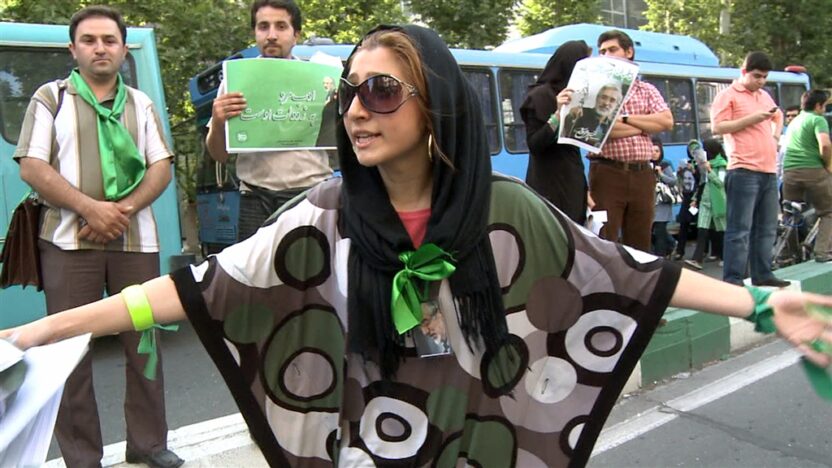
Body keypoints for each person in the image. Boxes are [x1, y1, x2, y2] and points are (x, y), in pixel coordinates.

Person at [4, 25, 831, 468]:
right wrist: (36, 332)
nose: (356, 110)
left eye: (381, 90)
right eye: (349, 93)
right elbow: (192, 290)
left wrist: (763, 303)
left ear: (434, 104)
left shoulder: (506, 209)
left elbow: (632, 274)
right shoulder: (323, 215)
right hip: (377, 449)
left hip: (483, 445)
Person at [11, 6, 183, 468]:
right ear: (73, 49)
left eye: (110, 40)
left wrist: (118, 212)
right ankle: (82, 457)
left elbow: (161, 167)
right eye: (89, 40)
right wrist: (91, 209)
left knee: (144, 343)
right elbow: (33, 166)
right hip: (67, 242)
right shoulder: (50, 98)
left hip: (135, 241)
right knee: (67, 352)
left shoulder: (140, 104)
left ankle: (148, 444)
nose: (100, 48)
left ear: (123, 49)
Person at [205, 0, 332, 242]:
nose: (271, 35)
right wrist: (219, 121)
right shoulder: (235, 82)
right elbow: (219, 155)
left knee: (314, 266)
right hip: (255, 199)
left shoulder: (320, 81)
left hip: (310, 195)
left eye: (281, 26)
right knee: (254, 268)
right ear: (255, 33)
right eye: (263, 26)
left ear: (296, 34)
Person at [588, 29, 674, 251]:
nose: (606, 55)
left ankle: (638, 276)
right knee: (604, 239)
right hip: (607, 173)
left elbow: (666, 121)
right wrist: (645, 126)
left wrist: (624, 118)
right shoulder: (595, 90)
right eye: (602, 52)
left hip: (642, 174)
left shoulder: (646, 90)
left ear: (629, 52)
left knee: (640, 242)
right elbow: (601, 129)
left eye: (612, 49)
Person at [712, 51, 788, 287]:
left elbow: (778, 115)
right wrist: (753, 119)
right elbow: (717, 127)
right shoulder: (727, 95)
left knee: (767, 228)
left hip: (768, 170)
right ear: (744, 72)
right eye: (756, 76)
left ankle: (763, 273)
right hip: (742, 168)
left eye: (764, 77)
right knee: (739, 230)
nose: (761, 81)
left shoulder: (764, 96)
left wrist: (775, 137)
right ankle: (733, 279)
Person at [520, 40, 592, 224]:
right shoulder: (540, 96)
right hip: (548, 182)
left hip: (572, 179)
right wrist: (559, 114)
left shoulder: (577, 95)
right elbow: (535, 144)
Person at [782, 89, 832, 262]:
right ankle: (822, 252)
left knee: (790, 214)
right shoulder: (817, 119)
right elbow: (825, 145)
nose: (824, 109)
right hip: (813, 171)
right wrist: (828, 164)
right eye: (824, 106)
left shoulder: (794, 122)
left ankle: (787, 254)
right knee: (828, 212)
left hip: (789, 173)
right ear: (818, 105)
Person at [685, 139, 728, 270]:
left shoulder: (721, 164)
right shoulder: (704, 164)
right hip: (705, 202)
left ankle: (725, 256)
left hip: (718, 201)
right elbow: (702, 183)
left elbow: (721, 183)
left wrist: (709, 171)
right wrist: (695, 198)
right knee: (702, 229)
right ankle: (697, 259)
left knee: (722, 230)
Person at [651, 137, 677, 257]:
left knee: (660, 233)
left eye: (657, 151)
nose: (654, 153)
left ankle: (660, 258)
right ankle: (671, 246)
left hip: (663, 204)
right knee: (651, 232)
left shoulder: (665, 165)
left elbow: (673, 181)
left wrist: (661, 174)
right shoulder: (645, 165)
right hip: (650, 204)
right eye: (652, 151)